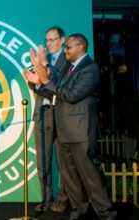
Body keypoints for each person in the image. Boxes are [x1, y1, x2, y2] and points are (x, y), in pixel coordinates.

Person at [25, 34, 116, 220]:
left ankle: (106, 214)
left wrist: (45, 81)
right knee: (70, 177)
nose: (64, 50)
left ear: (80, 46)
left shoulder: (90, 69)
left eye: (68, 47)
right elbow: (56, 94)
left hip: (81, 132)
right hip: (64, 131)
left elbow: (72, 95)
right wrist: (37, 85)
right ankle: (78, 211)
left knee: (90, 176)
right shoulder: (68, 67)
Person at [26, 26, 68, 213]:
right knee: (43, 161)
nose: (49, 43)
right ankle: (46, 199)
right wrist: (33, 80)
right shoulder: (41, 61)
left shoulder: (68, 60)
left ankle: (63, 199)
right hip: (42, 114)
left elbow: (58, 85)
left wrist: (43, 69)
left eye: (52, 39)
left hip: (61, 115)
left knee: (64, 161)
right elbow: (37, 85)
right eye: (47, 40)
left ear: (62, 40)